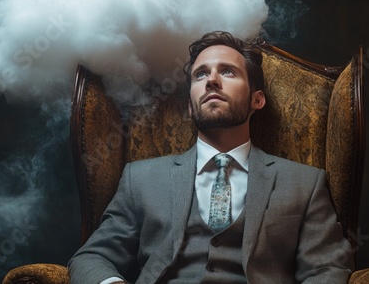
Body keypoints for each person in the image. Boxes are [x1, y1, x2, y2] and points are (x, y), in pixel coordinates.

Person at [68, 31, 354, 283]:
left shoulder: (305, 183)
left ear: (257, 99)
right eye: (200, 74)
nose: (211, 81)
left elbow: (328, 268)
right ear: (191, 108)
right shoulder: (140, 179)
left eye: (228, 72)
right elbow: (91, 258)